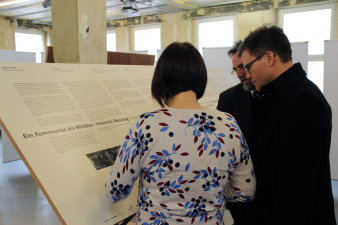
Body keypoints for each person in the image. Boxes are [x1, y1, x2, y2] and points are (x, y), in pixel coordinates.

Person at [106, 42, 256, 225]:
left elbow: (116, 190)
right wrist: (211, 189)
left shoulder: (145, 124)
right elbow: (245, 191)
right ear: (201, 77)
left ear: (161, 79)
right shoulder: (228, 123)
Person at [238, 25, 336, 225]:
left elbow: (298, 184)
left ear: (270, 57)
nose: (247, 75)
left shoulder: (303, 100)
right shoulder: (275, 95)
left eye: (248, 67)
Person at [217, 41, 256, 225]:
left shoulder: (275, 96)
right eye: (235, 69)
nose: (240, 74)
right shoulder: (227, 99)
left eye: (242, 67)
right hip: (239, 191)